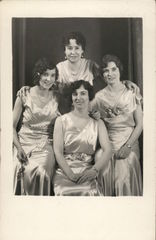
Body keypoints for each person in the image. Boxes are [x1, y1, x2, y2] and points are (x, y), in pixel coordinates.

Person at [17, 31, 138, 114]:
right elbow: (46, 85)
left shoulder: (91, 65)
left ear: (82, 50)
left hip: (87, 112)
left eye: (77, 48)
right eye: (69, 48)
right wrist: (29, 88)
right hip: (63, 112)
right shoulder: (59, 68)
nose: (73, 52)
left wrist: (124, 82)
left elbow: (108, 76)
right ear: (64, 51)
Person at [90, 54, 143, 196]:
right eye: (106, 71)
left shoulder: (132, 92)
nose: (110, 73)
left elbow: (139, 125)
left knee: (121, 175)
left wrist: (128, 147)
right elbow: (83, 112)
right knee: (100, 159)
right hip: (109, 143)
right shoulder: (99, 97)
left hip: (128, 142)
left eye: (114, 69)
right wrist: (95, 117)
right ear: (102, 74)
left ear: (120, 70)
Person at [53, 80, 112, 196]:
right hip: (65, 170)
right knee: (62, 190)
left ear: (89, 97)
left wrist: (94, 170)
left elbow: (108, 150)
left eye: (83, 93)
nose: (78, 97)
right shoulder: (61, 121)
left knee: (90, 191)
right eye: (75, 94)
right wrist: (70, 174)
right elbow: (58, 152)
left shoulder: (98, 123)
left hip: (87, 171)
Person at [13, 58, 60, 195]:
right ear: (38, 74)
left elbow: (82, 93)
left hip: (46, 143)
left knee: (41, 171)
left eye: (52, 75)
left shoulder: (58, 96)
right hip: (23, 142)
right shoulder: (24, 94)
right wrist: (18, 147)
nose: (48, 79)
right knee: (17, 168)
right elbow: (10, 127)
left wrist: (125, 83)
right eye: (45, 74)